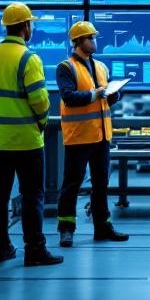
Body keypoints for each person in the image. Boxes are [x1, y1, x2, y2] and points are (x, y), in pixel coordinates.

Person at [0, 2, 63, 267]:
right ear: (25, 27)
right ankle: (35, 249)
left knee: (0, 195)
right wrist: (41, 121)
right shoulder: (28, 58)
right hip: (25, 140)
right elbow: (40, 100)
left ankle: (1, 248)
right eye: (31, 24)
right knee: (32, 195)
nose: (32, 28)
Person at [55, 21, 129, 247]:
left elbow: (104, 99)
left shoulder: (100, 67)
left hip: (101, 136)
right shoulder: (66, 67)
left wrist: (115, 94)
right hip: (79, 136)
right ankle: (66, 229)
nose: (94, 41)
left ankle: (103, 227)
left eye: (94, 37)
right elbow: (69, 97)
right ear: (78, 41)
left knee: (100, 185)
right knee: (72, 184)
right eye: (90, 38)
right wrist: (95, 95)